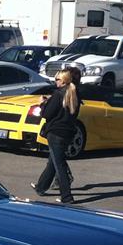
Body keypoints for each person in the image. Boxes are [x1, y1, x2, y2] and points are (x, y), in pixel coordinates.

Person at [31, 68, 81, 204]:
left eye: (58, 79)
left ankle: (67, 197)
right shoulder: (74, 94)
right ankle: (41, 187)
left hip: (55, 133)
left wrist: (42, 103)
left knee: (59, 165)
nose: (55, 81)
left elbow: (46, 114)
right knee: (53, 161)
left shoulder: (58, 94)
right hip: (68, 133)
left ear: (64, 81)